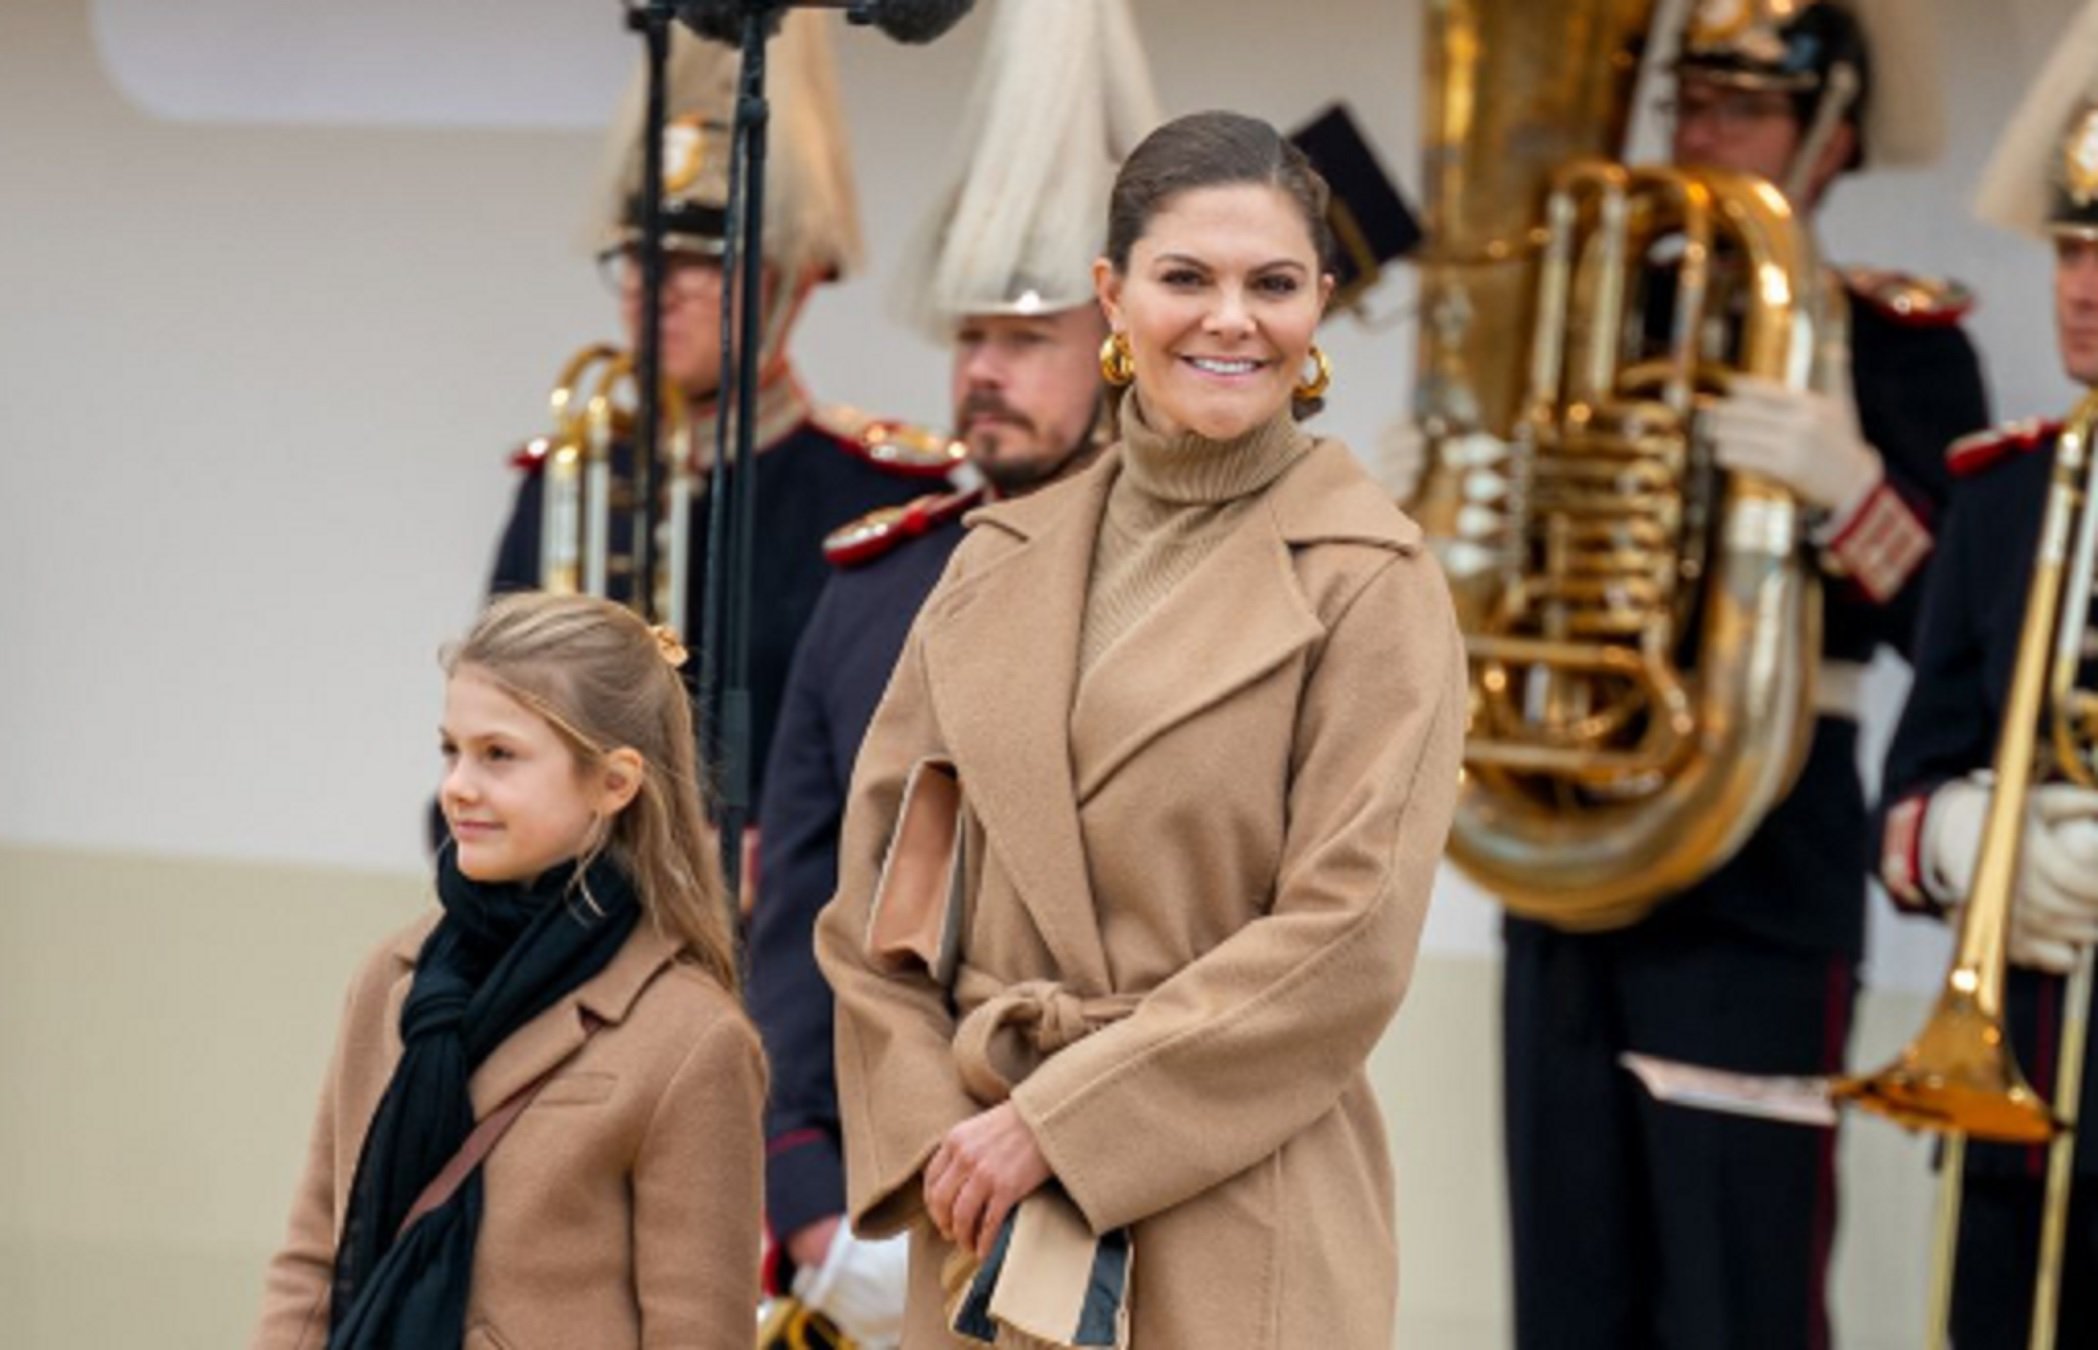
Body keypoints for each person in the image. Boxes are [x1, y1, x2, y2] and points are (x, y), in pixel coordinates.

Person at [814, 110, 1464, 1349]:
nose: (1232, 320)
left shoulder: (1372, 582)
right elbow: (875, 922)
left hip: (1237, 1226)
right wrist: (944, 1147)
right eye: (1186, 279)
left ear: (1319, 303)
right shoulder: (993, 562)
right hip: (981, 1229)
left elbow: (1347, 945)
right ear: (1112, 296)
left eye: (1272, 284)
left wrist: (1064, 1127)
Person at [1498, 3, 1992, 1347]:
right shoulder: (1592, 304)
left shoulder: (1898, 347)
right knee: (1565, 1285)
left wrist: (1848, 491)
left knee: (1738, 1291)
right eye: (1687, 102)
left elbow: (1955, 629)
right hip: (1571, 844)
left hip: (1762, 855)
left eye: (1742, 107)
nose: (1699, 133)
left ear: (1827, 135)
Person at [746, 3, 1157, 1341]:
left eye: (1024, 338)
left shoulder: (1193, 589)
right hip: (896, 1183)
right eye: (968, 337)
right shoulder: (873, 581)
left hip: (1140, 1177)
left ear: (1110, 348)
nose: (980, 371)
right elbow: (807, 905)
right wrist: (808, 1185)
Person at [250, 592, 764, 1349]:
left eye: (500, 755)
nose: (458, 785)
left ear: (614, 783)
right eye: (450, 750)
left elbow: (699, 1336)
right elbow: (312, 1261)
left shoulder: (691, 1037)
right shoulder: (391, 981)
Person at [489, 14, 954, 813]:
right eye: (636, 256)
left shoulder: (872, 495)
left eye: (696, 262)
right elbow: (492, 720)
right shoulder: (568, 478)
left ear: (787, 284)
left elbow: (902, 769)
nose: (649, 285)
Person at [1876, 8, 2098, 1340]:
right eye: (2070, 247)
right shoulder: (2003, 495)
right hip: (2017, 1091)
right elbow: (1896, 808)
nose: (2079, 281)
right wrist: (1974, 840)